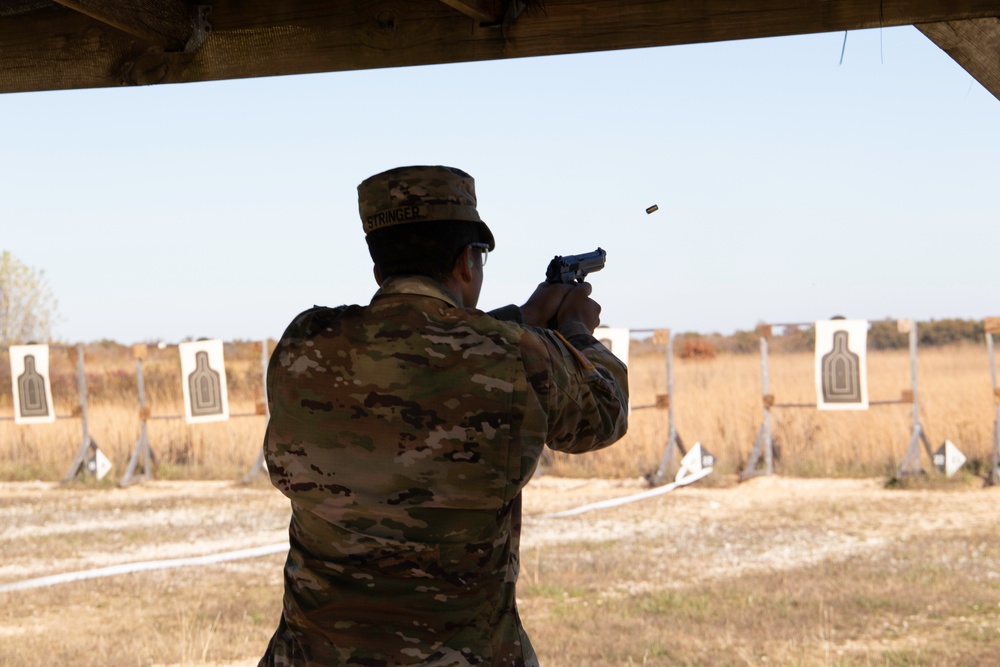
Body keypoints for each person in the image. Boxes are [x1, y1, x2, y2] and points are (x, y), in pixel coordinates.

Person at [259, 165, 629, 667]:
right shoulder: (515, 356)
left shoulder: (306, 342)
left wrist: (522, 317)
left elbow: (413, 343)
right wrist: (576, 331)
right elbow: (603, 413)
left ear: (378, 271)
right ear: (467, 262)